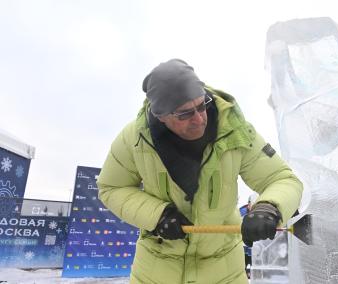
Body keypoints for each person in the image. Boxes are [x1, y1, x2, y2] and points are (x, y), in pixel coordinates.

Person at [97, 59, 303, 284]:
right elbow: (111, 187)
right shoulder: (133, 139)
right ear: (160, 115)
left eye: (202, 105)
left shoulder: (236, 132)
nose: (199, 119)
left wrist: (269, 207)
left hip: (225, 272)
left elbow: (282, 179)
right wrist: (157, 215)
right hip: (154, 271)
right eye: (184, 114)